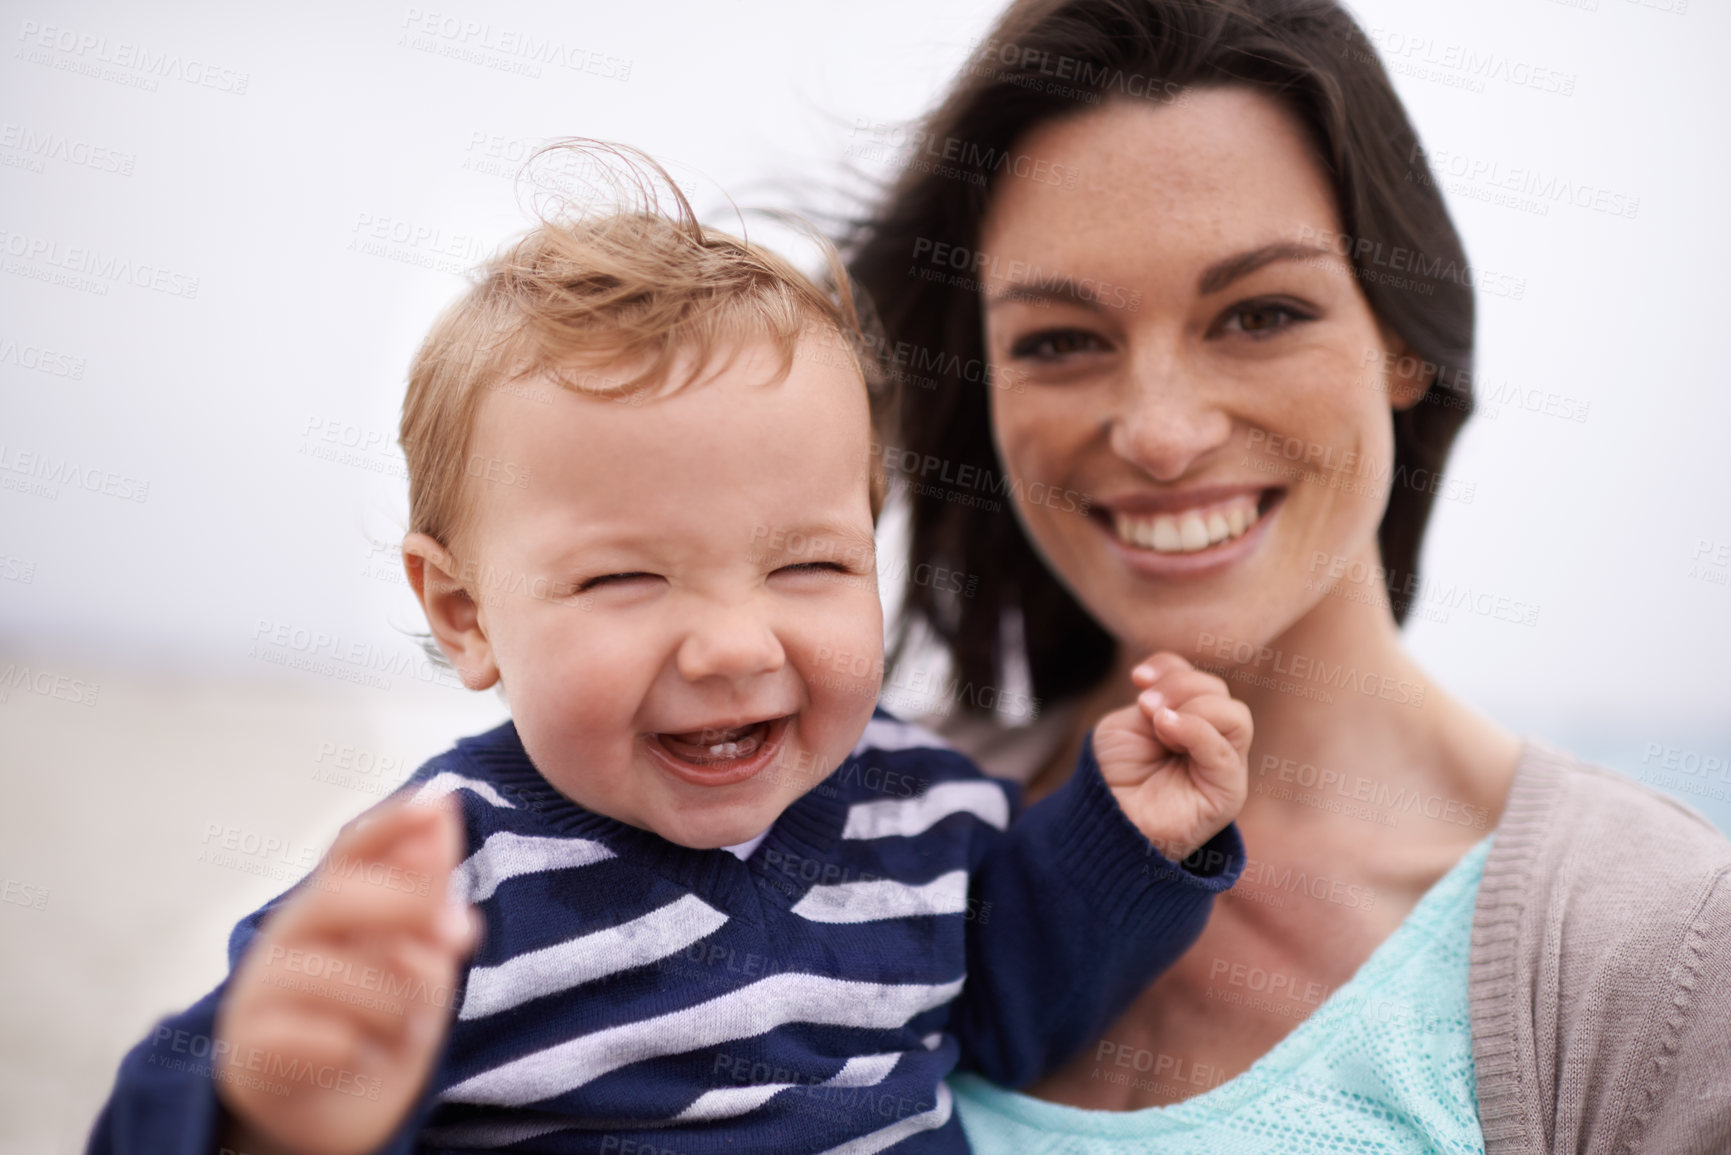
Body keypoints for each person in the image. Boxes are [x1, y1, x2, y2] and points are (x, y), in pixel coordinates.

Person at [84, 145, 1256, 1155]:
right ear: (465, 613)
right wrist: (266, 1108)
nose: (735, 645)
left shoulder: (927, 811)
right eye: (626, 579)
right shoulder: (443, 883)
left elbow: (1021, 1008)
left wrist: (1130, 840)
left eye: (810, 566)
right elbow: (210, 1076)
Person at [843, 1, 1731, 1151]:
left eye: (1260, 313)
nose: (1160, 434)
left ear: (1403, 342)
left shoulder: (1664, 949)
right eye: (1060, 339)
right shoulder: (863, 835)